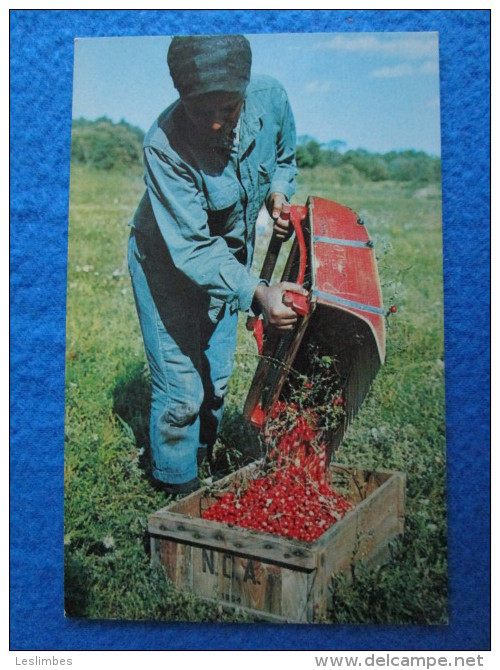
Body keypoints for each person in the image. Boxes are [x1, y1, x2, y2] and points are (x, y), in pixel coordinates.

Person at [128, 34, 306, 495]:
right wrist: (259, 293)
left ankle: (202, 462)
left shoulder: (272, 98)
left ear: (245, 92)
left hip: (228, 262)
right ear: (180, 98)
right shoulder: (163, 147)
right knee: (183, 387)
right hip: (167, 264)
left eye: (227, 110)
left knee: (217, 379)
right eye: (199, 111)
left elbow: (285, 159)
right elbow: (192, 249)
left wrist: (277, 194)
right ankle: (177, 493)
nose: (214, 125)